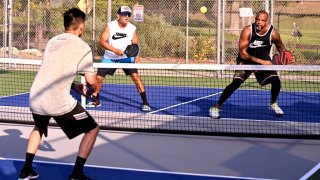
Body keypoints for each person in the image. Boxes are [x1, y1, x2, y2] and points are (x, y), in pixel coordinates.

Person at [18, 8, 99, 180]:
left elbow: (52, 72)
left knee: (39, 128)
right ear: (82, 26)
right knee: (92, 129)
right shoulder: (83, 47)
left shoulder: (52, 41)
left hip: (36, 95)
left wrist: (74, 85)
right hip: (57, 101)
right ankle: (77, 174)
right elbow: (91, 81)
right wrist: (95, 89)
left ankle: (26, 170)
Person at [209, 10, 287, 119]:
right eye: (257, 19)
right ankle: (215, 107)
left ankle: (273, 103)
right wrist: (263, 62)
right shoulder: (247, 31)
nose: (259, 22)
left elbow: (280, 47)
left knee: (276, 81)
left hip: (263, 61)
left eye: (262, 20)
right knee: (236, 83)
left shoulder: (273, 33)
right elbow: (243, 54)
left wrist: (286, 55)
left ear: (267, 21)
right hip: (245, 61)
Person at [86, 6, 151, 112]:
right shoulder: (110, 26)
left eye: (129, 15)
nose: (127, 16)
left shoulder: (132, 28)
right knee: (98, 78)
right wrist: (114, 50)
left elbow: (135, 44)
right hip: (110, 57)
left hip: (126, 58)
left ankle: (145, 102)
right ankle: (96, 100)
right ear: (118, 15)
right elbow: (102, 41)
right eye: (124, 14)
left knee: (136, 77)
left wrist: (137, 56)